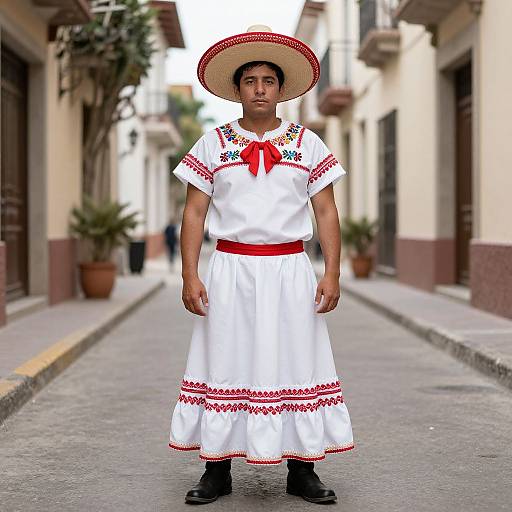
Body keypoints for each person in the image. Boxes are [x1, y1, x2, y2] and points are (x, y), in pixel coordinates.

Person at [169, 25, 354, 505]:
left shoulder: (308, 143)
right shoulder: (212, 143)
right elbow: (194, 211)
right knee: (224, 360)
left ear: (280, 88)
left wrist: (332, 271)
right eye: (249, 80)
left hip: (290, 270)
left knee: (296, 359)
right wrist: (190, 273)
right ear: (237, 89)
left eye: (267, 81)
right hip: (230, 269)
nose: (258, 89)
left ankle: (302, 467)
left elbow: (326, 210)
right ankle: (216, 467)